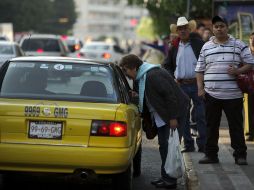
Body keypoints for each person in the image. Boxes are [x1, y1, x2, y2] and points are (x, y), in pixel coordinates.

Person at [120, 54, 189, 189]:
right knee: (164, 145)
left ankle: (170, 180)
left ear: (134, 67)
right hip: (163, 115)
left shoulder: (153, 75)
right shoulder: (141, 77)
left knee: (169, 147)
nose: (126, 74)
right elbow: (150, 96)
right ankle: (166, 177)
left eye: (126, 70)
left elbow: (170, 96)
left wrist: (173, 118)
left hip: (174, 113)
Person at [196, 16, 254, 165]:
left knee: (235, 126)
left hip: (233, 94)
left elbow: (250, 63)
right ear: (213, 29)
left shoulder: (238, 44)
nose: (219, 29)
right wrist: (200, 89)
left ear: (227, 28)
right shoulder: (206, 46)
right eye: (216, 27)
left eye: (222, 26)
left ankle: (240, 155)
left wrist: (237, 71)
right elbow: (199, 70)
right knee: (211, 126)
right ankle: (211, 155)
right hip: (211, 94)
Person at [164, 16, 207, 153]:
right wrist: (172, 78)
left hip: (197, 84)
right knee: (183, 117)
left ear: (190, 29)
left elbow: (207, 62)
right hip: (180, 85)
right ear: (177, 31)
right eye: (180, 29)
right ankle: (188, 144)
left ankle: (203, 144)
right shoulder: (174, 47)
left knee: (201, 115)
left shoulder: (198, 44)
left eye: (185, 28)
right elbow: (166, 65)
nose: (182, 31)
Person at [246, 32, 254, 141]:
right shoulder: (246, 52)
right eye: (252, 38)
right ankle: (251, 132)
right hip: (249, 85)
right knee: (250, 110)